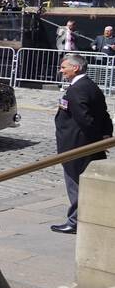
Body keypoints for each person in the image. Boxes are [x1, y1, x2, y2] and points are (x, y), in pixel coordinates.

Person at [51, 53, 114, 234]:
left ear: (75, 68)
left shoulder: (77, 89)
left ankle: (75, 221)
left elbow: (85, 119)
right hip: (87, 143)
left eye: (64, 67)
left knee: (75, 184)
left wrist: (96, 140)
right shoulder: (90, 86)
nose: (61, 71)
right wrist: (105, 135)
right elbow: (104, 115)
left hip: (77, 145)